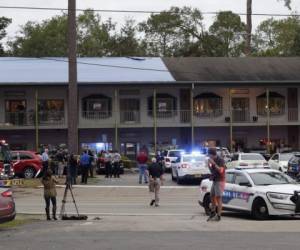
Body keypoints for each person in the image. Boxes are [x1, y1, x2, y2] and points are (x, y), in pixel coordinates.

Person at [207, 147, 226, 222]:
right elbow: (213, 171)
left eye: (209, 155)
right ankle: (213, 212)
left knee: (218, 197)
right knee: (212, 195)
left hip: (220, 180)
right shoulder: (213, 160)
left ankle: (219, 215)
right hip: (215, 180)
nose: (208, 156)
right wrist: (209, 165)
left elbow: (221, 170)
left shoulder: (220, 160)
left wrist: (213, 163)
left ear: (212, 154)